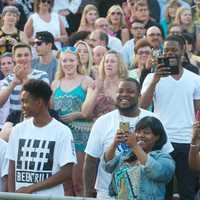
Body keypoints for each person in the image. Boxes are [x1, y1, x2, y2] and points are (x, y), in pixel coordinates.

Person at [83, 78, 173, 198]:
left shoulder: (153, 119)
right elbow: (96, 162)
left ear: (139, 96)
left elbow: (163, 170)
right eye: (120, 91)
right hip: (108, 194)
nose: (124, 94)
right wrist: (87, 193)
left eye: (130, 91)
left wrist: (135, 146)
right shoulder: (103, 121)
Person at [140, 35, 200, 200]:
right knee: (161, 191)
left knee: (187, 190)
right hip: (161, 141)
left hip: (187, 141)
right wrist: (155, 80)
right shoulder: (151, 77)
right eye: (166, 50)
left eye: (174, 49)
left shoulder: (195, 79)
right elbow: (142, 106)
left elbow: (198, 112)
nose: (170, 53)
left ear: (183, 50)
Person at [6, 79, 77, 195]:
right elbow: (12, 167)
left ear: (39, 102)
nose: (22, 106)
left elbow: (67, 172)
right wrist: (12, 196)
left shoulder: (62, 132)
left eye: (25, 102)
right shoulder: (17, 130)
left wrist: (31, 188)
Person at [51, 46, 94, 196]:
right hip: (61, 137)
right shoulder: (55, 84)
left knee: (79, 183)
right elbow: (50, 111)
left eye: (71, 60)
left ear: (77, 62)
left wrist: (76, 115)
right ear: (60, 63)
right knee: (65, 185)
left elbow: (87, 111)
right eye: (64, 60)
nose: (68, 64)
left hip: (80, 136)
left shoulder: (86, 81)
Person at [103, 116, 175, 199]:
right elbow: (107, 166)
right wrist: (115, 143)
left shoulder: (164, 158)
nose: (141, 135)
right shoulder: (126, 154)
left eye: (146, 133)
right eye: (138, 132)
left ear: (157, 137)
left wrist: (135, 146)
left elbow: (157, 172)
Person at [0, 43, 49, 112]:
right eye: (19, 55)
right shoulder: (9, 78)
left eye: (26, 55)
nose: (23, 58)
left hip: (35, 116)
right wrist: (13, 83)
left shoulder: (42, 75)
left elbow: (44, 101)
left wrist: (24, 78)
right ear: (14, 58)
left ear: (31, 56)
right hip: (15, 118)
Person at [0, 53, 14, 131]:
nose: (6, 66)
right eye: (3, 64)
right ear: (1, 68)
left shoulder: (21, 82)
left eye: (9, 63)